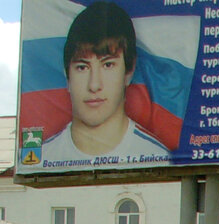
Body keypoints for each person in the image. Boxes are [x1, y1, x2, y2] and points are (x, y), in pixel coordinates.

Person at [41, 2, 170, 163]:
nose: (94, 85)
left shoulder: (157, 157)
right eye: (82, 67)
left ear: (129, 72)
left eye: (108, 65)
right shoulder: (42, 159)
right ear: (68, 76)